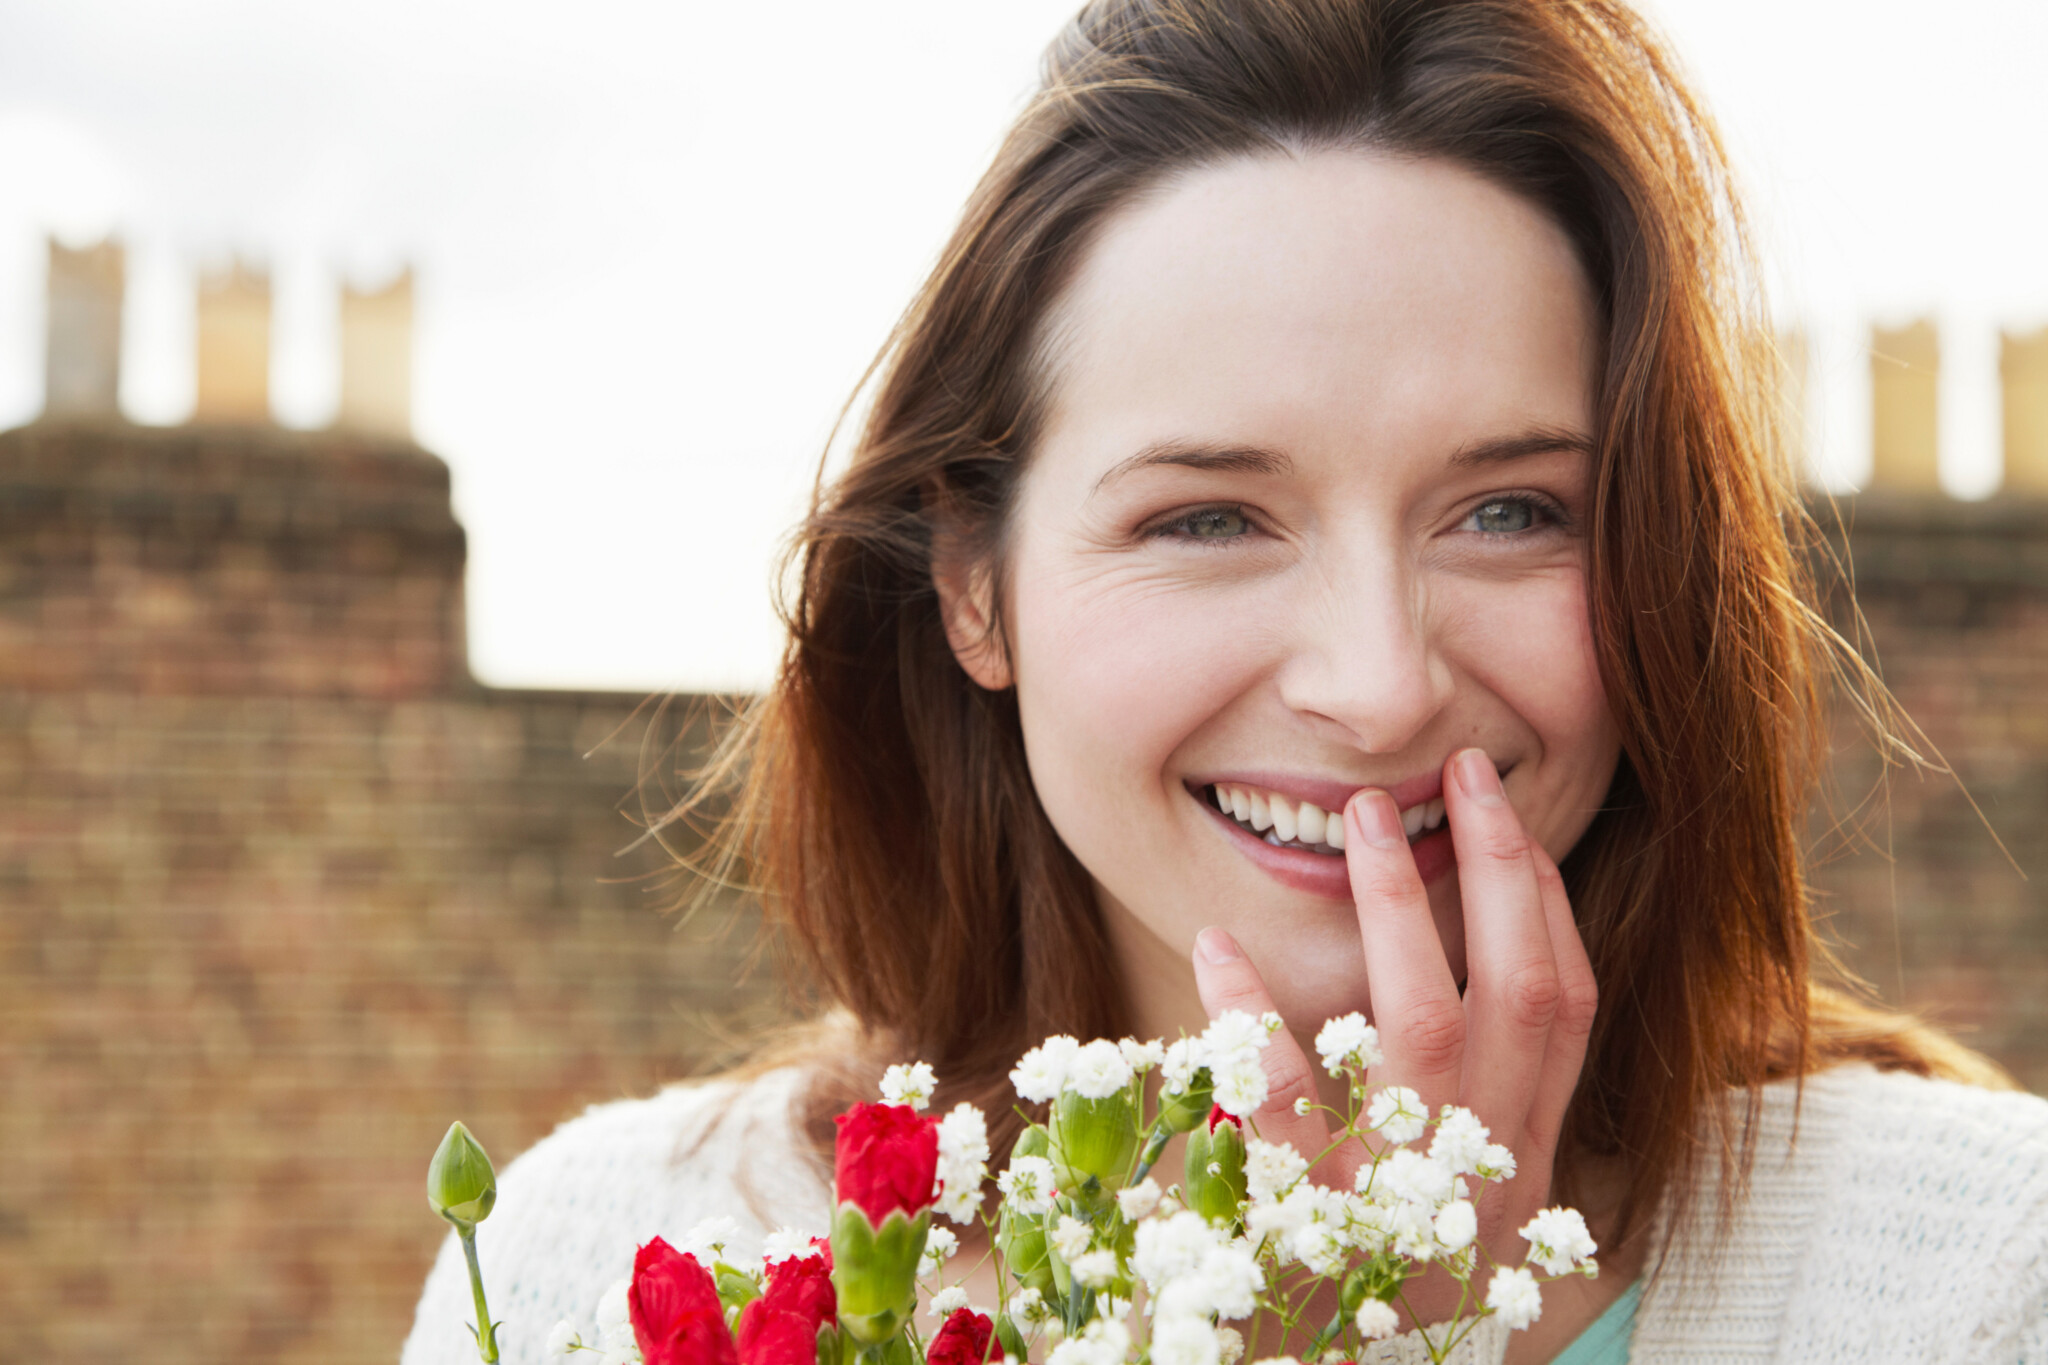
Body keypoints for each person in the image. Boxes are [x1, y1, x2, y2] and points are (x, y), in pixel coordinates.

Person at [405, 1, 2048, 1361]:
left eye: (1510, 510)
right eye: (1207, 516)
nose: (1378, 684)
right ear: (975, 585)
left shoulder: (1974, 1273)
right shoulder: (601, 1268)